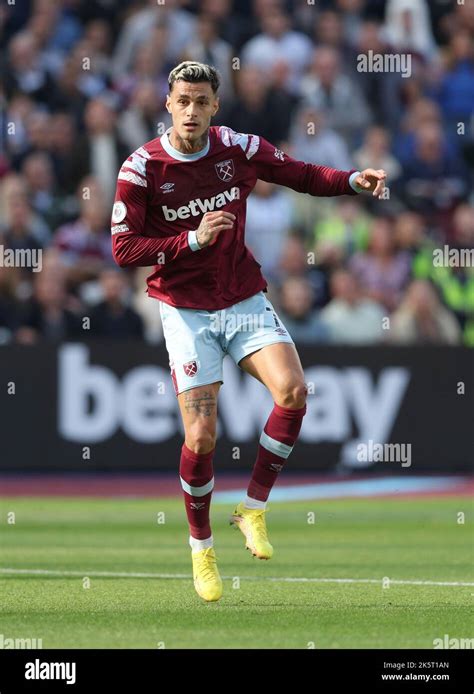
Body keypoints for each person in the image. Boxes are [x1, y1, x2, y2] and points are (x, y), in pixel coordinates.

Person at [111, 61, 386, 603]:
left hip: (241, 299)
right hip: (184, 309)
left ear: (215, 107)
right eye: (182, 100)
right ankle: (201, 547)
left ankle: (252, 509)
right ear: (167, 104)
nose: (191, 111)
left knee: (294, 391)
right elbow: (123, 249)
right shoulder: (140, 169)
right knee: (201, 437)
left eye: (201, 101)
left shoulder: (237, 147)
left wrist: (353, 180)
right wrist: (188, 241)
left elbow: (302, 174)